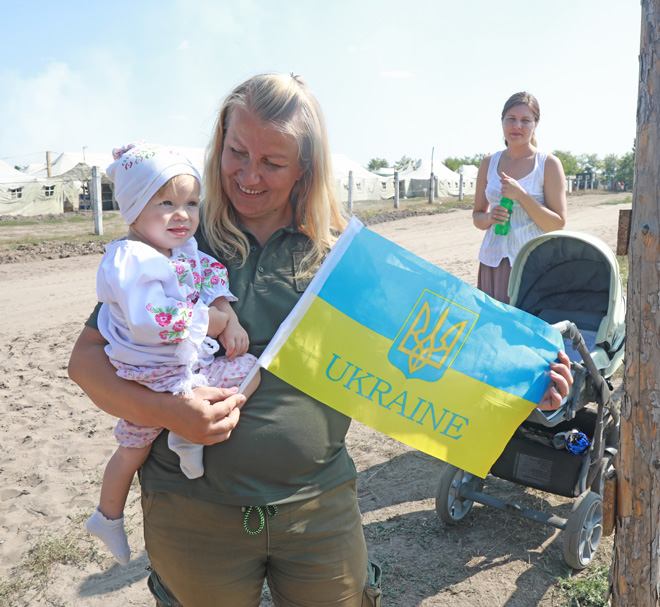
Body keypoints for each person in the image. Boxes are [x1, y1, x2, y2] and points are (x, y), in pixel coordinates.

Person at [69, 74, 572, 606]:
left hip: (318, 510)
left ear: (305, 167)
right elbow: (86, 363)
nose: (248, 175)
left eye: (273, 162)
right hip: (192, 514)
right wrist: (171, 415)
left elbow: (426, 347)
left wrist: (521, 381)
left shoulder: (343, 257)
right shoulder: (175, 241)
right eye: (237, 152)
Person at [84, 142, 259, 566]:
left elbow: (211, 274)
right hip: (150, 370)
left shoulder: (180, 251)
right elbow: (150, 318)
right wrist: (212, 323)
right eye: (165, 202)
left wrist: (228, 316)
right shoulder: (131, 259)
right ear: (133, 208)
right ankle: (110, 514)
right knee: (134, 446)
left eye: (191, 202)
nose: (182, 214)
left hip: (176, 364)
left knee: (136, 444)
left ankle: (180, 434)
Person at [472, 91, 567, 304]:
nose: (517, 126)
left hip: (533, 264)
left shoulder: (548, 164)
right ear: (502, 121)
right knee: (493, 329)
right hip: (493, 262)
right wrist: (489, 218)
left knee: (527, 332)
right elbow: (477, 216)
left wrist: (521, 195)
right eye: (511, 119)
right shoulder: (489, 163)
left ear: (536, 124)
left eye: (525, 120)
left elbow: (557, 224)